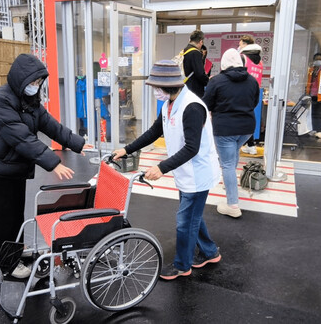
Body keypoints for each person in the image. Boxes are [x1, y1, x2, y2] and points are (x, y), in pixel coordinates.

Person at [0, 54, 92, 278]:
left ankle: (14, 252)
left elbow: (51, 126)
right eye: (32, 82)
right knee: (1, 218)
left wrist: (77, 143)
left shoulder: (30, 101)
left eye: (38, 82)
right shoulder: (0, 101)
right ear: (20, 80)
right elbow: (20, 137)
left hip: (12, 167)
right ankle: (8, 264)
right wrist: (53, 162)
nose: (35, 86)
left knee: (15, 214)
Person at [112, 60, 221, 281]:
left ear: (166, 86)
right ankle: (210, 252)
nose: (154, 91)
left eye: (155, 87)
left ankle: (182, 266)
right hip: (186, 172)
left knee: (185, 220)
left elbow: (192, 147)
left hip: (198, 173)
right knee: (192, 217)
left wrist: (161, 168)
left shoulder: (192, 107)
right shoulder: (170, 104)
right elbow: (154, 131)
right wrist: (127, 149)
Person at [203, 48, 260, 218]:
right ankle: (230, 184)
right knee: (233, 154)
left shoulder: (216, 81)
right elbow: (255, 102)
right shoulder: (252, 81)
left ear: (224, 62)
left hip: (225, 129)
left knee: (227, 164)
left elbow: (206, 104)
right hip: (247, 129)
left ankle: (233, 205)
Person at [238, 36, 264, 155]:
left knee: (241, 118)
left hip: (243, 90)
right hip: (255, 91)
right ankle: (250, 144)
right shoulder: (260, 61)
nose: (239, 45)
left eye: (241, 43)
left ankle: (250, 144)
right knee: (247, 117)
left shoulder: (243, 57)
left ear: (245, 44)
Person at [305, 52, 321, 139]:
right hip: (312, 94)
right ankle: (313, 129)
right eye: (316, 59)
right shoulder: (312, 70)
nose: (318, 61)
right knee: (312, 113)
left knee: (320, 114)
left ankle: (320, 131)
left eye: (320, 59)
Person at [183, 30, 209, 97]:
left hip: (185, 86)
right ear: (201, 42)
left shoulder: (185, 50)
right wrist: (208, 81)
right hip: (194, 90)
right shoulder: (195, 53)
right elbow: (200, 73)